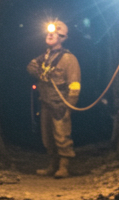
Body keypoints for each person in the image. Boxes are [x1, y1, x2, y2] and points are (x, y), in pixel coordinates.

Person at [27, 20, 82, 178]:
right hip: (45, 103)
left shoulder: (69, 59)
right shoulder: (45, 57)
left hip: (60, 105)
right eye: (49, 32)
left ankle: (64, 166)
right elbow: (31, 66)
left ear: (63, 37)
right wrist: (39, 73)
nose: (50, 34)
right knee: (47, 136)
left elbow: (75, 85)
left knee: (61, 136)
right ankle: (53, 164)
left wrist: (69, 106)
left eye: (55, 32)